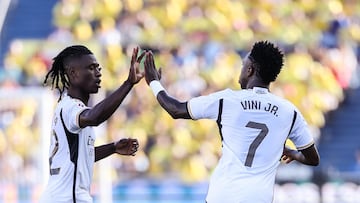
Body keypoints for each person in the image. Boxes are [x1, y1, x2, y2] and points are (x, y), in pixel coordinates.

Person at [143, 41, 320, 203]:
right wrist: (291, 152)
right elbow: (312, 159)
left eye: (243, 66)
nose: (241, 72)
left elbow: (176, 110)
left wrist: (154, 82)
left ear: (250, 70)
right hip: (259, 198)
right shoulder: (289, 111)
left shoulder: (227, 100)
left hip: (223, 196)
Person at [40, 45, 142, 203]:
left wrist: (113, 148)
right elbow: (94, 118)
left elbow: (81, 156)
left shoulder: (68, 107)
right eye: (91, 68)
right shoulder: (71, 108)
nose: (98, 73)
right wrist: (128, 83)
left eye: (98, 68)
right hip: (67, 199)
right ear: (73, 73)